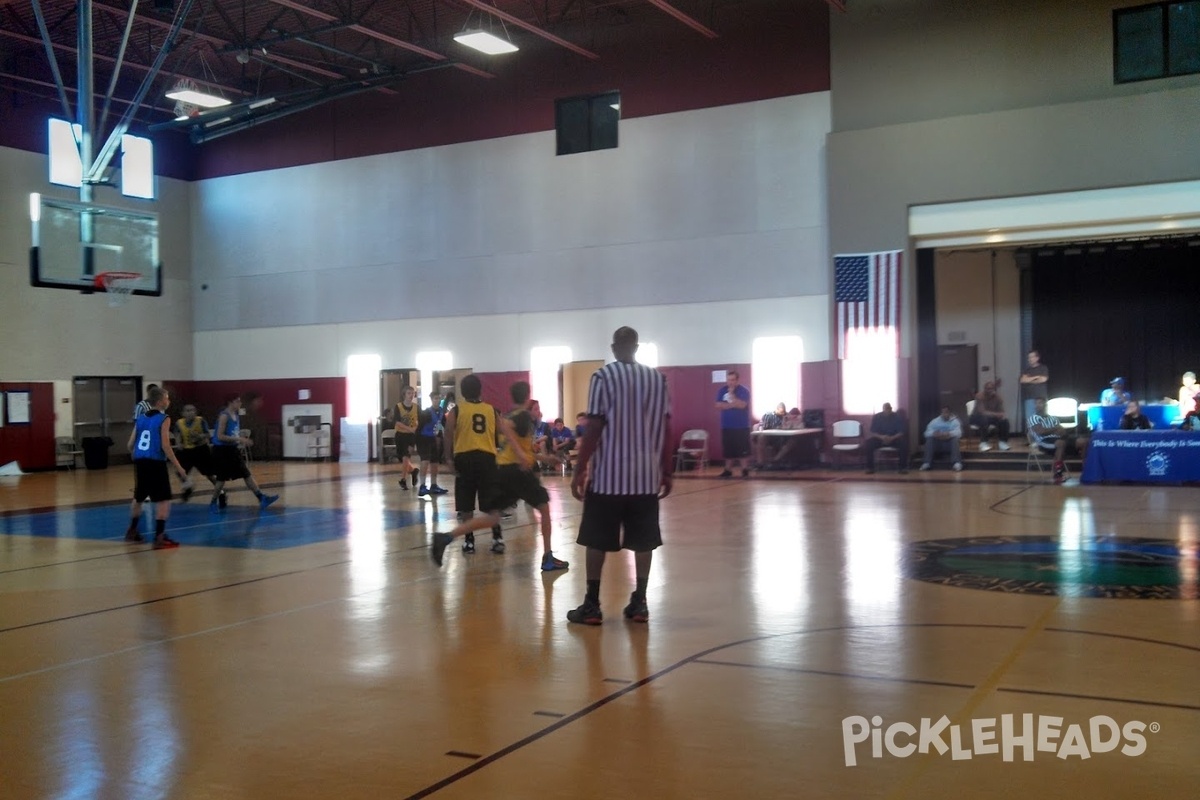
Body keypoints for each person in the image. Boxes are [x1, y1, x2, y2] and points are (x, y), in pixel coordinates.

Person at [566, 326, 672, 625]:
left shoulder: (603, 377)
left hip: (609, 477)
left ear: (614, 348)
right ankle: (640, 603)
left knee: (596, 540)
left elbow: (595, 426)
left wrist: (580, 468)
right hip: (645, 477)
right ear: (636, 347)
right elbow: (666, 427)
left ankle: (592, 605)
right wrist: (667, 469)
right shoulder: (657, 379)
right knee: (644, 540)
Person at [430, 381, 569, 572]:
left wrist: (546, 458)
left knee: (493, 517)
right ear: (527, 398)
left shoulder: (509, 415)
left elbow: (523, 449)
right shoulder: (519, 417)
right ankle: (548, 557)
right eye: (536, 407)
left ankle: (446, 537)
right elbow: (508, 431)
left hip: (502, 469)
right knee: (544, 507)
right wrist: (521, 455)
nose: (538, 411)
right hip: (516, 471)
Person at [439, 374, 507, 555]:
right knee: (492, 501)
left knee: (466, 504)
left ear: (462, 392)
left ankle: (469, 541)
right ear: (480, 390)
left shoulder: (457, 410)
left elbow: (448, 435)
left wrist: (448, 459)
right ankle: (497, 537)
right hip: (487, 458)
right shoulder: (491, 410)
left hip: (465, 458)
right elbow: (503, 432)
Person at [125, 386, 189, 549]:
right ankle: (159, 536)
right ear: (160, 401)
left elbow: (130, 444)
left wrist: (135, 454)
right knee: (164, 499)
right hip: (155, 462)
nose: (169, 400)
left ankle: (132, 531)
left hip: (141, 461)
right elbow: (166, 446)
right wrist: (179, 467)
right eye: (167, 398)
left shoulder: (141, 418)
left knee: (139, 497)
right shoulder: (164, 418)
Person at [209, 394, 279, 510]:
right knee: (221, 479)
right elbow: (220, 436)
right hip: (221, 450)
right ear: (230, 402)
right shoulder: (224, 416)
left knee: (246, 474)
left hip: (232, 449)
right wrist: (239, 439)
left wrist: (240, 439)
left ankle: (261, 498)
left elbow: (233, 433)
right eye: (237, 401)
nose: (240, 404)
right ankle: (213, 502)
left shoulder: (236, 415)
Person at [1027, 397, 1088, 483]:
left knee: (1083, 442)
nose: (1037, 405)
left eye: (1040, 403)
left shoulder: (1053, 418)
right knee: (1061, 443)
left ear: (1045, 405)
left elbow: (1062, 432)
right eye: (1036, 404)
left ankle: (1086, 469)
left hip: (1058, 438)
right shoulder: (1033, 418)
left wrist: (1054, 430)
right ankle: (1058, 473)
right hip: (1043, 442)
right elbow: (1041, 432)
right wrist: (1055, 429)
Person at [175, 403, 214, 502]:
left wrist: (199, 436)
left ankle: (221, 492)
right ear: (183, 413)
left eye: (193, 410)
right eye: (187, 410)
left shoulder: (200, 421)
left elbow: (207, 434)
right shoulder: (179, 423)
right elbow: (177, 434)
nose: (190, 413)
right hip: (187, 450)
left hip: (201, 450)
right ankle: (188, 488)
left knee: (209, 474)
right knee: (181, 472)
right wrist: (179, 443)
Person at [716, 369, 751, 478]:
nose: (730, 382)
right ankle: (728, 470)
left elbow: (742, 405)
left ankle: (745, 470)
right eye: (728, 380)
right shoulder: (722, 391)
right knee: (728, 450)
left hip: (741, 425)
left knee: (742, 449)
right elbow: (718, 405)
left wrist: (731, 395)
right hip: (727, 425)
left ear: (737, 380)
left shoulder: (744, 391)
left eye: (732, 380)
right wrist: (733, 404)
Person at [415, 391, 448, 496]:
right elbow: (419, 427)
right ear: (431, 400)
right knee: (425, 461)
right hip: (423, 439)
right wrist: (415, 442)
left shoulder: (442, 412)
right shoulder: (426, 413)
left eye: (438, 398)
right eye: (435, 399)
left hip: (434, 439)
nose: (437, 401)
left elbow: (444, 424)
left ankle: (434, 485)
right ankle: (422, 486)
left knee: (435, 462)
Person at [863, 402, 909, 474]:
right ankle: (870, 468)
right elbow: (873, 432)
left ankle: (902, 468)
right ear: (883, 409)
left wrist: (892, 438)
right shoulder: (877, 417)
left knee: (904, 444)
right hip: (880, 439)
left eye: (889, 409)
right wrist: (882, 437)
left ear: (891, 408)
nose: (887, 410)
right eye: (885, 409)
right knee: (869, 444)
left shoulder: (897, 417)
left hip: (894, 438)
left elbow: (901, 432)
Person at [392, 385, 421, 490]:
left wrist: (416, 428)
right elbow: (397, 422)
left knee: (406, 457)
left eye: (412, 393)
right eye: (409, 393)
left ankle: (403, 479)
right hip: (400, 435)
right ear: (404, 394)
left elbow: (420, 420)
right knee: (403, 458)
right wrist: (410, 428)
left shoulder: (416, 407)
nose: (411, 395)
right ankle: (413, 470)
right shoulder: (398, 406)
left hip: (411, 436)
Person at [969, 381, 1010, 451]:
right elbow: (982, 412)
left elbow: (1001, 412)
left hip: (991, 417)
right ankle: (983, 443)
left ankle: (1002, 442)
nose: (989, 390)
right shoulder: (979, 396)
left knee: (1004, 421)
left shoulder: (998, 398)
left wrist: (1000, 415)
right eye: (988, 388)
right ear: (984, 389)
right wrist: (996, 414)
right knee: (984, 419)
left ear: (994, 389)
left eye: (991, 388)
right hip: (976, 417)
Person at [920, 406, 963, 472]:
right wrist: (934, 433)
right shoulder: (935, 421)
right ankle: (926, 463)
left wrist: (949, 434)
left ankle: (957, 463)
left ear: (950, 413)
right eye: (943, 412)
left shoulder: (955, 421)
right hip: (938, 444)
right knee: (929, 439)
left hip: (949, 444)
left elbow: (959, 433)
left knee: (955, 439)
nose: (944, 414)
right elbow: (926, 433)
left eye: (946, 412)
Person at [1018, 350, 1049, 425]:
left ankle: (1042, 436)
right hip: (1029, 398)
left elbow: (1043, 379)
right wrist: (1036, 377)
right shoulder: (1027, 370)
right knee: (1030, 421)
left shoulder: (1043, 368)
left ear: (1037, 358)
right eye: (1029, 357)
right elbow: (1023, 380)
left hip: (1040, 398)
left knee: (1042, 420)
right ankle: (1032, 436)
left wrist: (1029, 379)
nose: (1030, 359)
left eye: (1032, 357)